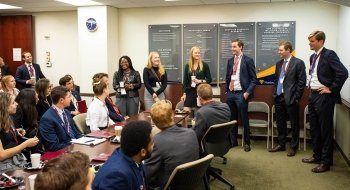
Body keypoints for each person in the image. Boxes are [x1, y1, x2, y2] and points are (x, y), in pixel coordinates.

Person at [302, 31, 348, 173]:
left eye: (313, 41)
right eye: (309, 41)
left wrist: (331, 88)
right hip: (313, 95)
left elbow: (343, 72)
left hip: (324, 97)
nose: (310, 43)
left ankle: (326, 162)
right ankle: (317, 156)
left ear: (321, 41)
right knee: (315, 128)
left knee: (325, 130)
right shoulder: (312, 57)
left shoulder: (329, 54)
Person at [144, 100, 199, 189]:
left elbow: (147, 174)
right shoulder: (191, 133)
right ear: (172, 116)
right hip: (193, 179)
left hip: (170, 185)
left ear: (153, 122)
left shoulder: (156, 142)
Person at [269, 41, 306, 157]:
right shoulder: (279, 63)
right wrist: (275, 92)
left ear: (288, 50)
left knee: (294, 124)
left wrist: (296, 97)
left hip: (291, 99)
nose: (278, 52)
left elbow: (302, 82)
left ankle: (294, 147)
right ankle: (281, 144)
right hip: (279, 97)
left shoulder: (298, 63)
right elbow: (276, 80)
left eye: (280, 50)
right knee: (280, 123)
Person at [92, 120, 154, 190]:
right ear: (143, 152)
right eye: (152, 143)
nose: (154, 146)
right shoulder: (117, 176)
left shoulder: (134, 157)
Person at [225, 39, 257, 152]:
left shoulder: (248, 60)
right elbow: (228, 77)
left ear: (241, 47)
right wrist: (226, 91)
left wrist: (247, 93)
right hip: (230, 93)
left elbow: (254, 79)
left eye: (234, 46)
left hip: (241, 94)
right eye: (232, 46)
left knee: (244, 119)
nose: (232, 49)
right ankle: (233, 141)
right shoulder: (230, 61)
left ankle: (247, 143)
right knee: (232, 119)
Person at [0, 92, 39, 173]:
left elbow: (4, 136)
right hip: (5, 165)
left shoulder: (8, 118)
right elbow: (2, 155)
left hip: (15, 159)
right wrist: (26, 144)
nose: (17, 104)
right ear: (4, 106)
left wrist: (15, 132)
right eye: (13, 102)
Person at [39, 86, 82, 151]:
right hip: (63, 152)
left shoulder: (67, 112)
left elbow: (76, 133)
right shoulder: (47, 119)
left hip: (75, 147)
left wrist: (86, 141)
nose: (71, 99)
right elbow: (53, 146)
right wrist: (74, 146)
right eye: (69, 96)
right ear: (61, 100)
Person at [181, 46, 212, 114]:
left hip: (200, 92)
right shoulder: (187, 66)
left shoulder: (204, 65)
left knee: (199, 113)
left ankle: (198, 124)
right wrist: (184, 93)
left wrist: (200, 81)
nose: (198, 54)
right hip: (190, 92)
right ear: (192, 54)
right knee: (185, 113)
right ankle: (185, 125)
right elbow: (185, 82)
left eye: (199, 53)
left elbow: (209, 79)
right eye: (196, 53)